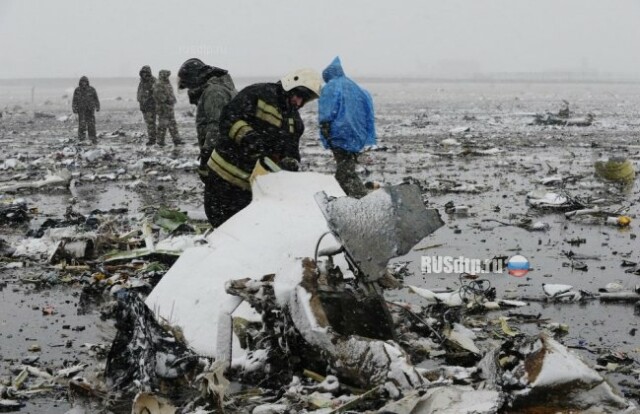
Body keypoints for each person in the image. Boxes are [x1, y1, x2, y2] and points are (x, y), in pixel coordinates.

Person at [202, 68, 322, 227]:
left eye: (304, 100)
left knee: (238, 230)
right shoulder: (258, 94)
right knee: (220, 224)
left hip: (249, 187)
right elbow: (228, 117)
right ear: (290, 85)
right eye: (298, 95)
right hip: (222, 176)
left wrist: (290, 162)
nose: (299, 103)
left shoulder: (295, 123)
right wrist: (247, 136)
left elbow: (291, 151)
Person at [318, 56, 376, 198]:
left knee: (344, 174)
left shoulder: (331, 87)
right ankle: (358, 199)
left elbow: (327, 113)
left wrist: (326, 132)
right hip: (357, 135)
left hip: (339, 135)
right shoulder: (356, 88)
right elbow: (368, 112)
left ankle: (362, 201)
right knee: (347, 169)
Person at [177, 58, 237, 179]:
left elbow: (216, 126)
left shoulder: (214, 92)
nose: (189, 90)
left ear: (195, 79)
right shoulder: (218, 89)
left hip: (222, 156)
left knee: (219, 193)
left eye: (189, 85)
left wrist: (207, 154)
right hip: (227, 153)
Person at [152, 70, 183, 147]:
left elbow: (171, 94)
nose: (167, 76)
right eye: (166, 75)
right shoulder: (158, 84)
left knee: (173, 124)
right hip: (163, 108)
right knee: (162, 125)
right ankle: (160, 141)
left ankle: (177, 140)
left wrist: (172, 100)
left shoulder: (167, 83)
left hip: (169, 108)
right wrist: (167, 100)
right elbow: (159, 96)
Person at [72, 76, 100, 143]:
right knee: (82, 125)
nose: (83, 83)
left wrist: (97, 106)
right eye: (82, 82)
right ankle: (81, 139)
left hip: (90, 110)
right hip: (81, 110)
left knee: (91, 125)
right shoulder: (77, 90)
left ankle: (93, 138)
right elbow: (74, 100)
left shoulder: (92, 89)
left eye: (85, 82)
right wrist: (74, 108)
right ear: (80, 82)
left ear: (87, 82)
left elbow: (96, 99)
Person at [137, 65, 157, 146]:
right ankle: (153, 138)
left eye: (145, 72)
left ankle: (152, 139)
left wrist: (150, 100)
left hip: (151, 106)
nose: (144, 74)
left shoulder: (153, 81)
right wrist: (140, 101)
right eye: (143, 73)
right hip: (144, 106)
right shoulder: (141, 82)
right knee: (149, 123)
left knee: (151, 123)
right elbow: (139, 93)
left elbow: (156, 94)